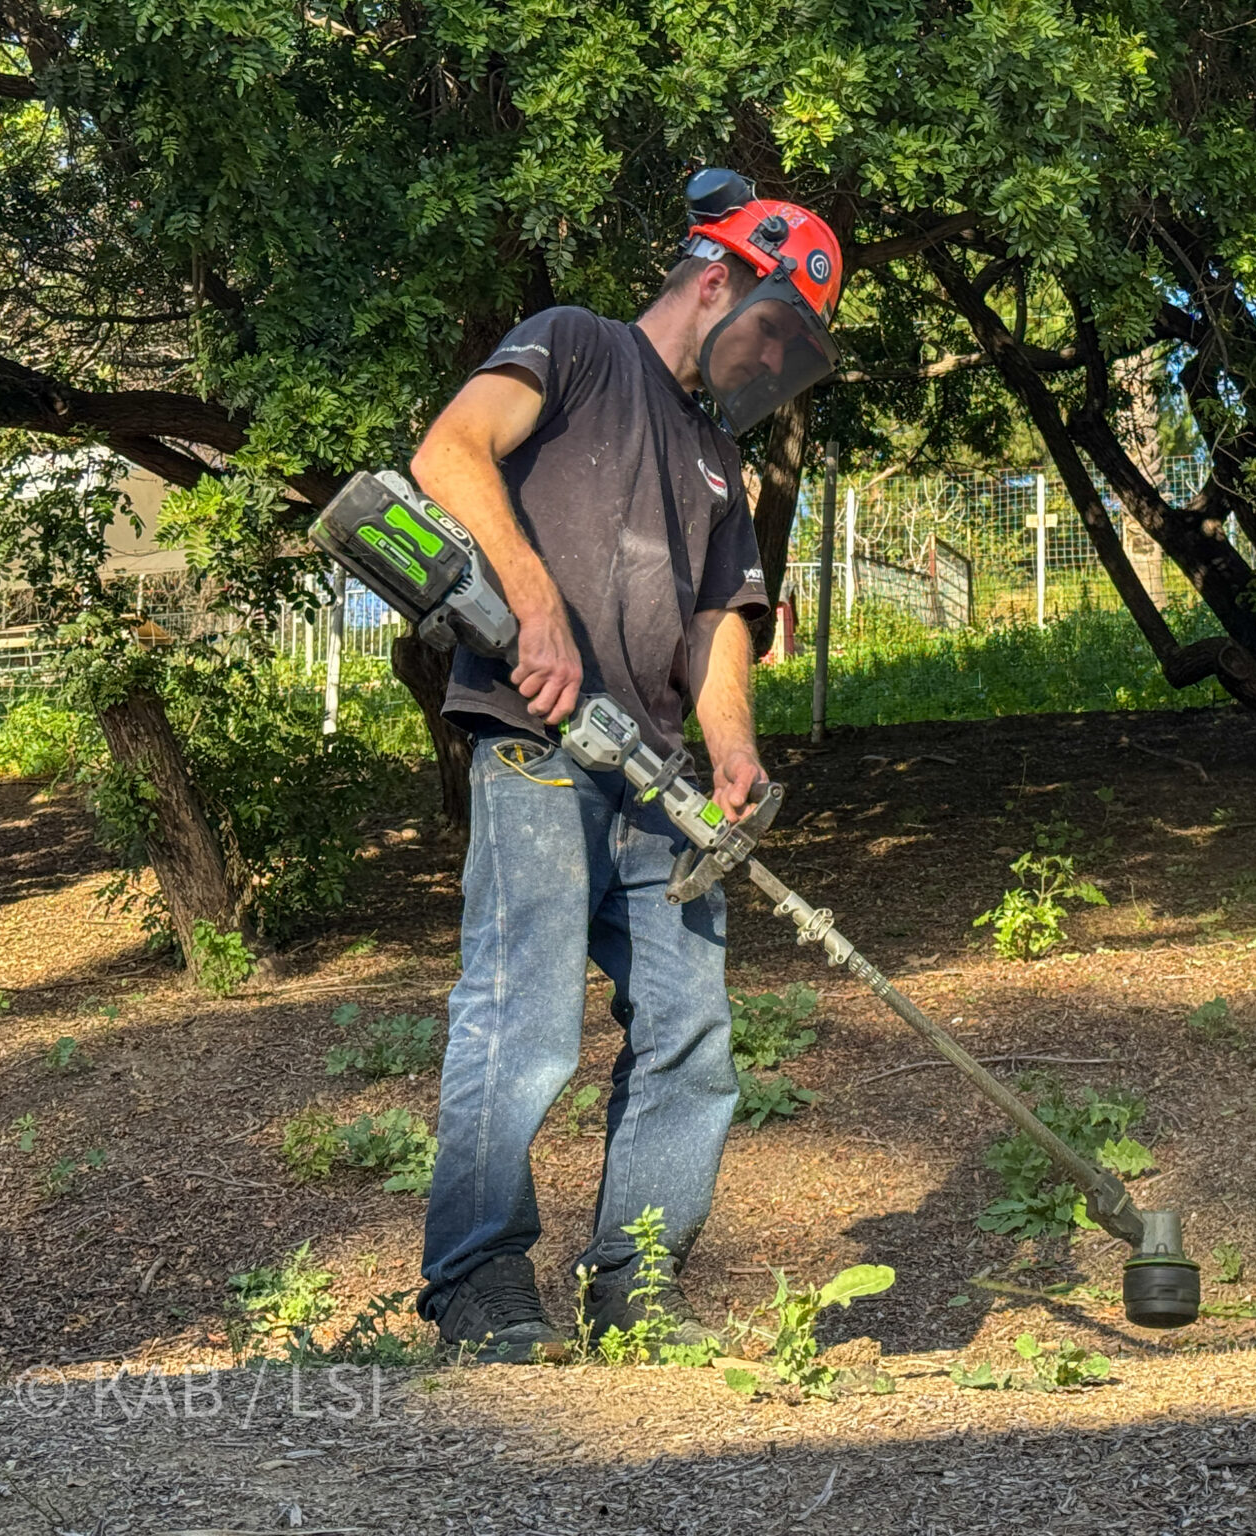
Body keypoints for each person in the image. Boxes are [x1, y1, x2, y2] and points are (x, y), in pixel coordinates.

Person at [406, 171, 844, 1362]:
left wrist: (735, 748)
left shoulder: (714, 456)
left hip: (659, 784)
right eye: (771, 334)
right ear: (717, 283)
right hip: (539, 746)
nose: (771, 366)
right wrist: (535, 608)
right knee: (523, 1017)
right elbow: (450, 454)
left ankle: (635, 1281)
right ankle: (479, 1283)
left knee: (691, 1030)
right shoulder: (576, 349)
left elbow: (717, 621)